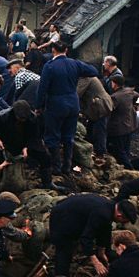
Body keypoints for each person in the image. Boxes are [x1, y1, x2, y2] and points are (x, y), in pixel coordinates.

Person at [35, 40, 99, 175]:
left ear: (53, 51)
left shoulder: (50, 66)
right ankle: (67, 166)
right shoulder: (74, 63)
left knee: (52, 136)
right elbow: (93, 71)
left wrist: (38, 106)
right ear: (66, 51)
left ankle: (56, 167)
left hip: (56, 104)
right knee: (69, 136)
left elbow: (42, 89)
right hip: (73, 103)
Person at [49, 193, 136, 276]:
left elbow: (105, 230)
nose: (122, 224)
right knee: (64, 251)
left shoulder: (110, 207)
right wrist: (96, 262)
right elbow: (86, 238)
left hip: (72, 216)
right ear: (119, 216)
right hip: (61, 219)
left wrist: (102, 252)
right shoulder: (103, 214)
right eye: (124, 222)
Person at [107, 76, 139, 169]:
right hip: (128, 127)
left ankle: (130, 169)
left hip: (118, 128)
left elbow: (109, 109)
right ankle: (128, 168)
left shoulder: (115, 97)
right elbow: (136, 94)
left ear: (114, 83)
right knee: (125, 150)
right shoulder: (129, 92)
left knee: (119, 151)